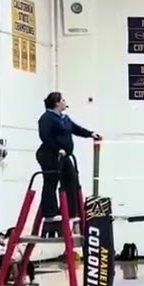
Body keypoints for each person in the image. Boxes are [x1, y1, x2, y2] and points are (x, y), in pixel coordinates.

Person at [36, 92, 101, 229]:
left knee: (72, 180)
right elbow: (45, 136)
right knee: (51, 182)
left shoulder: (64, 118)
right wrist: (57, 149)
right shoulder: (47, 118)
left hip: (65, 156)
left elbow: (75, 129)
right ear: (57, 103)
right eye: (63, 100)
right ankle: (49, 212)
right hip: (49, 154)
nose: (65, 102)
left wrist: (90, 134)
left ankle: (70, 211)